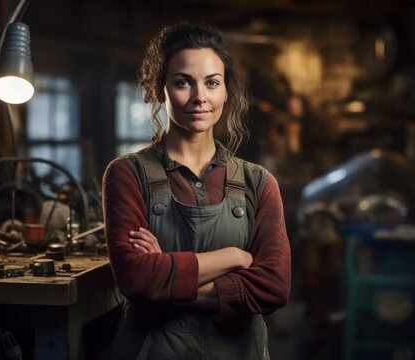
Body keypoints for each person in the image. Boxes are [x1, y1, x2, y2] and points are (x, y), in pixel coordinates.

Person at [102, 22, 291, 360]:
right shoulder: (127, 174)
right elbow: (134, 278)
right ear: (160, 90)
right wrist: (234, 258)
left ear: (226, 91)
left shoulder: (258, 182)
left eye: (212, 83)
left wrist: (163, 281)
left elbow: (274, 287)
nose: (199, 97)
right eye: (182, 82)